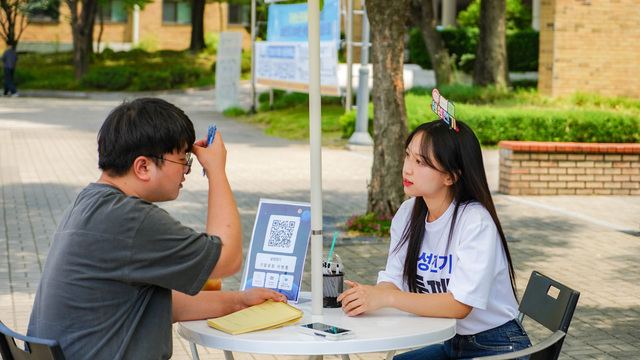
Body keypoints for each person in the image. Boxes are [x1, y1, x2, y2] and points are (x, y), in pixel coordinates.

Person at [27, 98, 286, 359]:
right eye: (182, 159)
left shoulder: (88, 203)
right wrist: (217, 170)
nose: (187, 169)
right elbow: (228, 259)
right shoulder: (130, 220)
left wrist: (238, 301)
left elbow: (158, 305)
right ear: (143, 166)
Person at [337, 119, 532, 359]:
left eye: (420, 162)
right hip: (452, 343)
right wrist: (369, 297)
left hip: (498, 345)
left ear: (450, 176)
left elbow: (459, 306)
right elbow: (394, 278)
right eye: (408, 155)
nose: (407, 169)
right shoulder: (408, 213)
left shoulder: (475, 222)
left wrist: (387, 297)